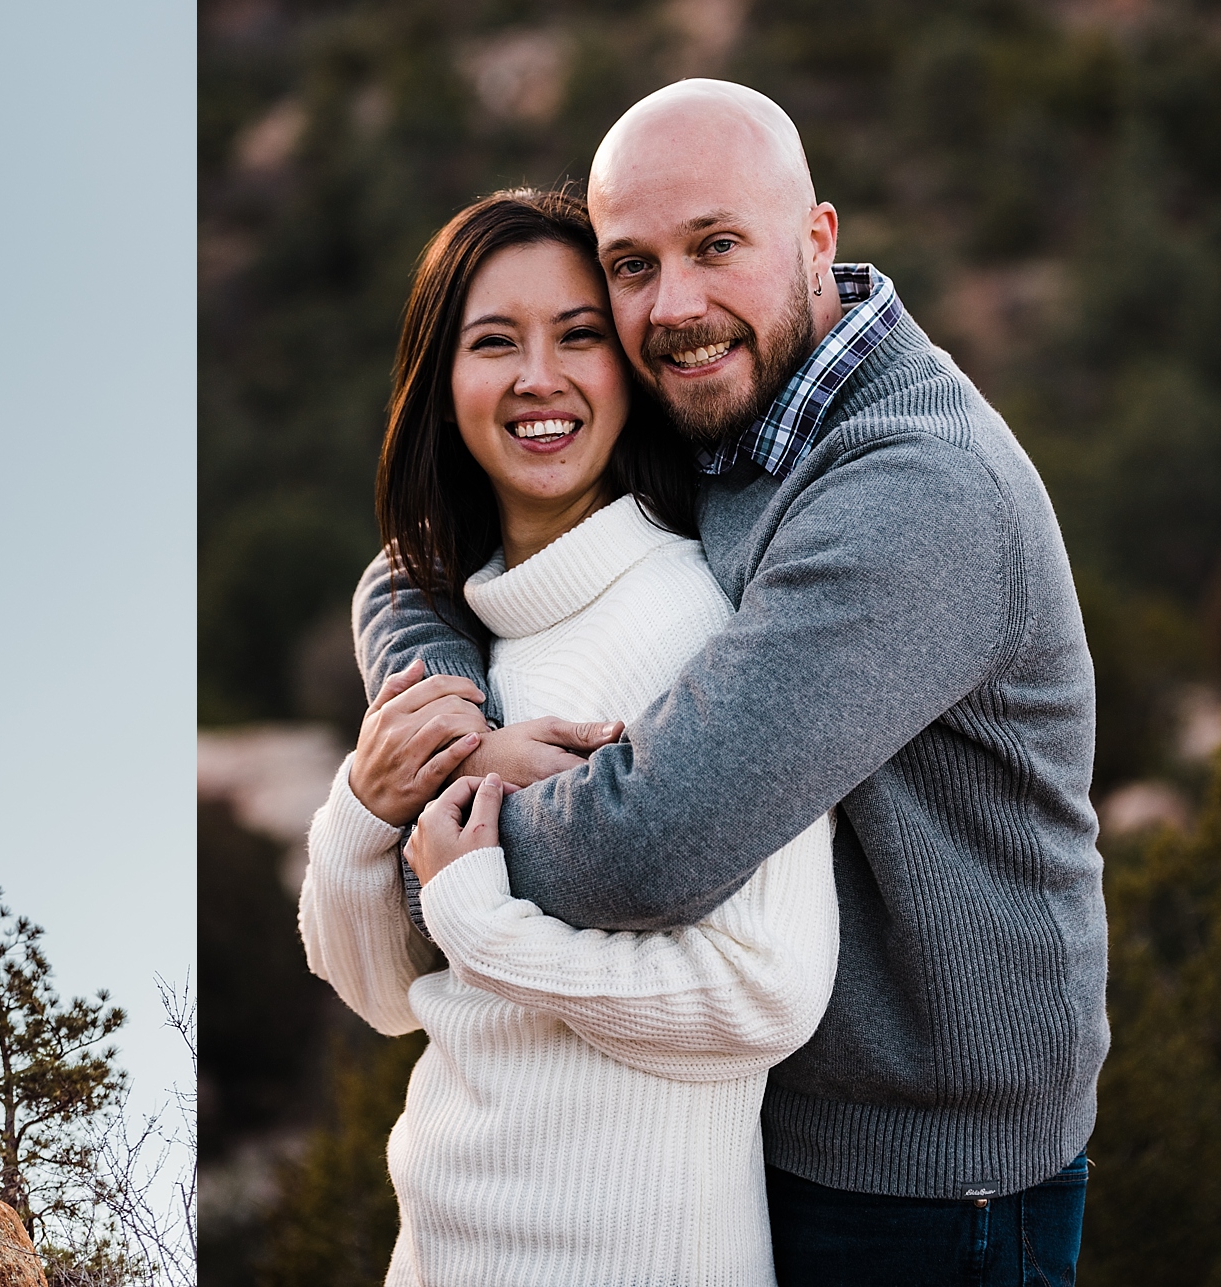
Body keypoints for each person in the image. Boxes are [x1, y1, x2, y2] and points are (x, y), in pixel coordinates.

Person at [353, 80, 1105, 1284]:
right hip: (768, 1121)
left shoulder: (915, 490)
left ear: (815, 238)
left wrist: (434, 843)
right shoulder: (722, 401)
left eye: (714, 245)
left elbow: (647, 841)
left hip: (932, 1176)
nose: (674, 304)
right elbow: (416, 561)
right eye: (632, 265)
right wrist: (456, 722)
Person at [299, 187, 839, 1283]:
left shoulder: (689, 622)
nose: (537, 377)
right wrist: (364, 802)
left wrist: (480, 918)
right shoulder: (462, 640)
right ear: (441, 381)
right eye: (494, 341)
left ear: (629, 368)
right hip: (440, 1248)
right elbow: (381, 995)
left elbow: (766, 994)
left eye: (578, 335)